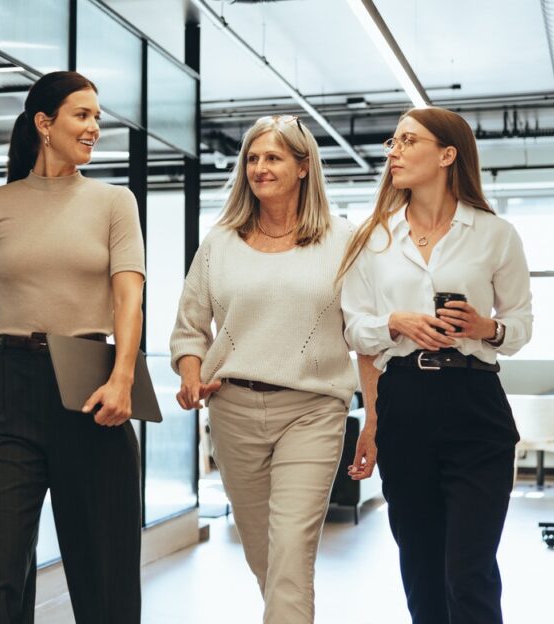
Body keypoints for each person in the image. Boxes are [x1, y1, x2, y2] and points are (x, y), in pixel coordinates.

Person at [0, 71, 145, 623]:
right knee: (1, 571)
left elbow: (129, 300)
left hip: (89, 383)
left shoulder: (114, 203)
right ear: (44, 124)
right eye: (83, 115)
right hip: (10, 385)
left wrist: (124, 376)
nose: (95, 127)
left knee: (104, 572)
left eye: (98, 117)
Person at [340, 106, 533, 624]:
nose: (393, 151)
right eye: (392, 142)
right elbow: (354, 329)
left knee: (468, 569)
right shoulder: (372, 239)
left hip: (476, 404)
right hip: (404, 401)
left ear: (447, 155)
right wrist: (395, 323)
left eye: (407, 141)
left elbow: (520, 325)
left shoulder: (495, 234)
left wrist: (483, 327)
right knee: (421, 566)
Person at [170, 115, 356, 624]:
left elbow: (366, 334)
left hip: (313, 410)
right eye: (252, 158)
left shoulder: (342, 240)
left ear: (303, 166)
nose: (259, 168)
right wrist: (191, 374)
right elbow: (190, 329)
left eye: (272, 157)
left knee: (291, 553)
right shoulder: (220, 243)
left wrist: (376, 420)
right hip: (233, 411)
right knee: (263, 556)